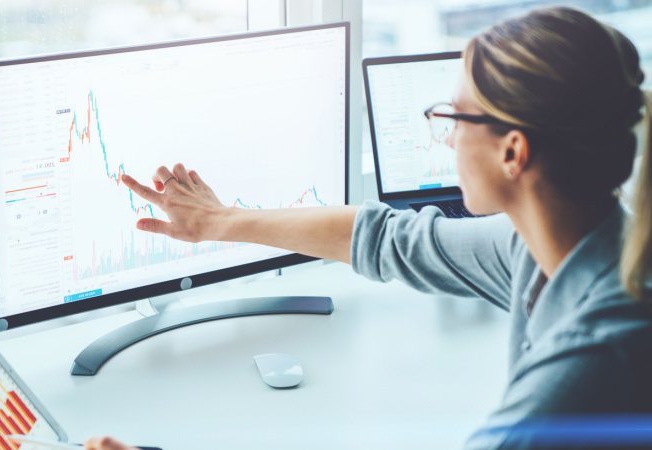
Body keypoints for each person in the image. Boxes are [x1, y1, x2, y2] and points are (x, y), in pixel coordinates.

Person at [87, 6, 652, 449]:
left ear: (514, 153)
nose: (448, 136)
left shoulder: (591, 363)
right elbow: (386, 238)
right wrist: (220, 221)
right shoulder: (571, 242)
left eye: (454, 116)